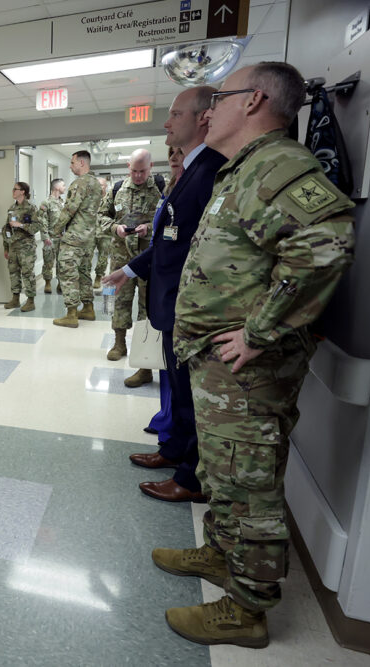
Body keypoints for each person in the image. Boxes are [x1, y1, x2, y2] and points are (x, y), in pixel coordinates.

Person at [155, 62, 355, 648]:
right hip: (218, 367)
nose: (209, 107)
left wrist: (259, 332)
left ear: (254, 101)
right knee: (226, 473)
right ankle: (221, 554)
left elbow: (325, 247)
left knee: (249, 483)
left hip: (248, 367)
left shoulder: (283, 167)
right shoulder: (243, 170)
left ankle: (247, 610)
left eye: (220, 95)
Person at [104, 88, 226, 503]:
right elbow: (171, 239)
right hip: (174, 301)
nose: (166, 122)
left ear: (203, 118)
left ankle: (190, 475)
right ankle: (174, 451)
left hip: (192, 305)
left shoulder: (212, 170)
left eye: (175, 114)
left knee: (190, 393)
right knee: (179, 385)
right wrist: (129, 268)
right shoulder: (189, 171)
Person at [98, 149, 162, 388]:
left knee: (147, 307)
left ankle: (145, 357)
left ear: (151, 166)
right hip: (120, 256)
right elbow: (101, 217)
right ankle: (119, 342)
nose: (137, 176)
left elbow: (170, 222)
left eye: (142, 171)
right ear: (128, 167)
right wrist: (115, 228)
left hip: (148, 258)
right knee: (119, 300)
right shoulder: (116, 189)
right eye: (133, 171)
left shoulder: (161, 187)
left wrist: (148, 228)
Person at [146, 145, 184, 440]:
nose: (173, 156)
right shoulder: (170, 189)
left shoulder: (197, 187)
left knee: (180, 371)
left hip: (182, 290)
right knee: (168, 367)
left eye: (180, 152)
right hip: (164, 287)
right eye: (171, 152)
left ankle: (174, 432)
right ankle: (167, 420)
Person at [52, 151, 103, 328]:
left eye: (72, 162)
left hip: (75, 237)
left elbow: (69, 209)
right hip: (89, 237)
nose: (70, 165)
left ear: (81, 163)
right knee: (83, 272)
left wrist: (57, 229)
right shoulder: (96, 183)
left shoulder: (79, 183)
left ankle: (71, 314)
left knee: (67, 272)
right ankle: (88, 308)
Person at [2, 182, 40, 312]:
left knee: (28, 273)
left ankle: (30, 301)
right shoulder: (11, 208)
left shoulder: (31, 208)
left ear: (23, 191)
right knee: (13, 273)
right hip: (13, 246)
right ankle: (15, 299)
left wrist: (21, 225)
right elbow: (6, 228)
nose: (13, 191)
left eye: (15, 189)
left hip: (26, 247)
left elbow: (35, 227)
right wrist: (6, 247)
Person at [38, 178, 65, 294]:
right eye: (63, 185)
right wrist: (45, 237)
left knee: (62, 262)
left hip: (62, 238)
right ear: (57, 187)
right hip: (51, 238)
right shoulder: (46, 203)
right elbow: (42, 220)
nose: (65, 187)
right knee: (48, 262)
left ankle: (60, 283)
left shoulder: (62, 203)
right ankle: (48, 283)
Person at [91, 176, 112, 289]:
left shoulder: (111, 199)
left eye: (101, 185)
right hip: (91, 232)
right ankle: (85, 278)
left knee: (103, 256)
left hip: (105, 233)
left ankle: (98, 276)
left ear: (106, 186)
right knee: (87, 256)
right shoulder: (89, 199)